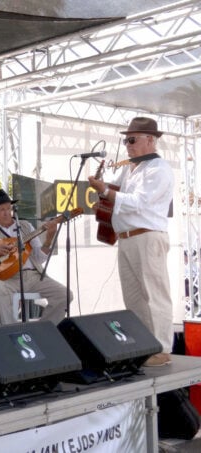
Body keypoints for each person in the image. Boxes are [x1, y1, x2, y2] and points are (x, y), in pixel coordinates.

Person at [88, 117, 174, 367]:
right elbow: (119, 197)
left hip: (147, 237)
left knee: (155, 295)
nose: (127, 144)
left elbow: (139, 202)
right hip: (127, 238)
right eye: (126, 139)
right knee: (134, 297)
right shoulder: (129, 168)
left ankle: (162, 348)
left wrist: (105, 192)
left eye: (132, 139)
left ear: (151, 140)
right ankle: (143, 344)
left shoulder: (159, 169)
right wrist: (104, 200)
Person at [0, 189, 70, 326]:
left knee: (64, 295)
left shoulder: (25, 226)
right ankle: (12, 330)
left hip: (33, 276)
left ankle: (43, 330)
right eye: (2, 209)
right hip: (6, 279)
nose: (7, 213)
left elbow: (39, 258)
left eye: (8, 208)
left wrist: (49, 239)